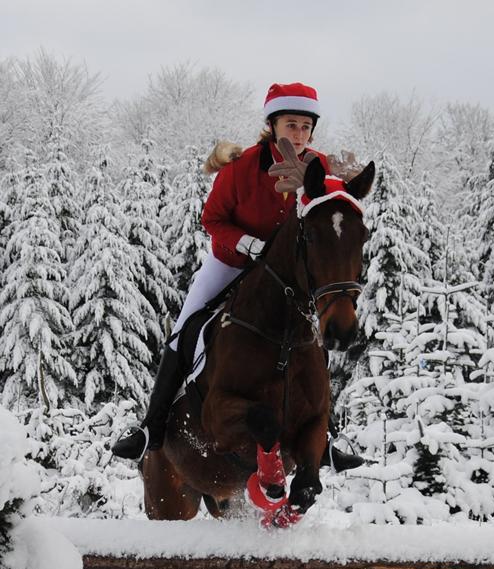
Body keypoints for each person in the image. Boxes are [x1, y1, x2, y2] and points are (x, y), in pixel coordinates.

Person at [112, 82, 364, 471]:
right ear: (273, 125)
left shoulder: (319, 166)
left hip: (287, 273)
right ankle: (151, 429)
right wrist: (248, 244)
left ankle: (322, 437)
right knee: (185, 329)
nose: (297, 134)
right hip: (233, 261)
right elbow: (211, 219)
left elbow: (332, 212)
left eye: (304, 127)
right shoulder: (241, 167)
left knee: (308, 340)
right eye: (290, 125)